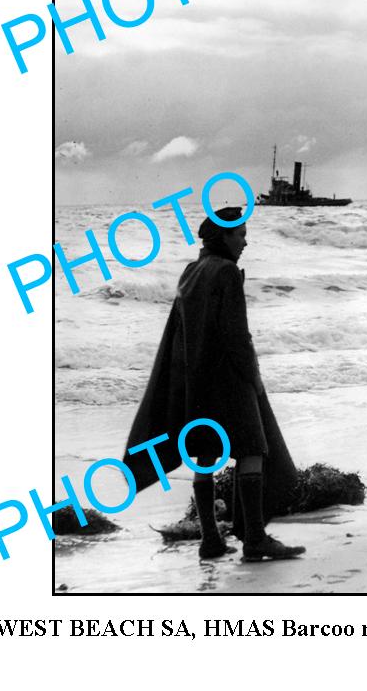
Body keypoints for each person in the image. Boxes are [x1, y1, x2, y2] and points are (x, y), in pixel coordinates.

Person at [123, 207, 305, 562]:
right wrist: (254, 377)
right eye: (240, 234)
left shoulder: (191, 271)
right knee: (252, 449)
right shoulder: (225, 272)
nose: (245, 241)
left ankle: (211, 541)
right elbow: (237, 335)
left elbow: (181, 334)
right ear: (224, 236)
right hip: (230, 381)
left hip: (198, 382)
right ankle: (254, 539)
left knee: (206, 455)